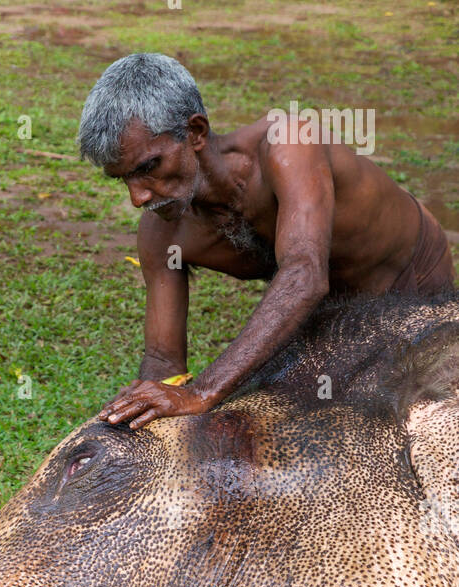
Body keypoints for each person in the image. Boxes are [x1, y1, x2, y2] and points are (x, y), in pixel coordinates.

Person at [76, 53, 455, 429]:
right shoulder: (163, 233)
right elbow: (164, 362)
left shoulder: (287, 143)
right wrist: (145, 405)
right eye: (123, 179)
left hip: (411, 278)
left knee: (422, 416)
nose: (138, 197)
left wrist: (202, 392)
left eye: (148, 168)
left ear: (195, 132)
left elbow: (305, 276)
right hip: (330, 314)